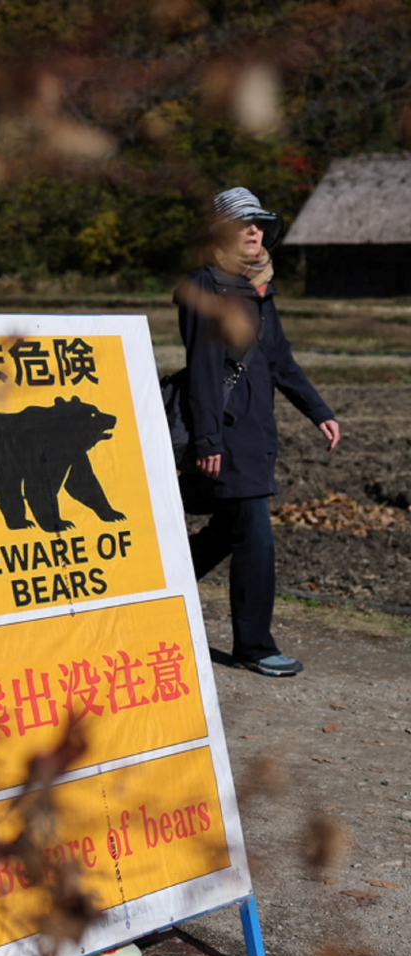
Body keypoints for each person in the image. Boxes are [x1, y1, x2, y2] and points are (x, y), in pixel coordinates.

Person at [177, 187, 341, 677]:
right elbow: (204, 366)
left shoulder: (259, 288)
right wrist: (208, 440)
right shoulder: (205, 286)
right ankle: (254, 645)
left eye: (260, 222)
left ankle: (155, 586)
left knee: (228, 531)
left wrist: (319, 410)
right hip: (226, 434)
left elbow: (280, 360)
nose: (255, 230)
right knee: (256, 536)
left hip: (256, 434)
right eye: (244, 223)